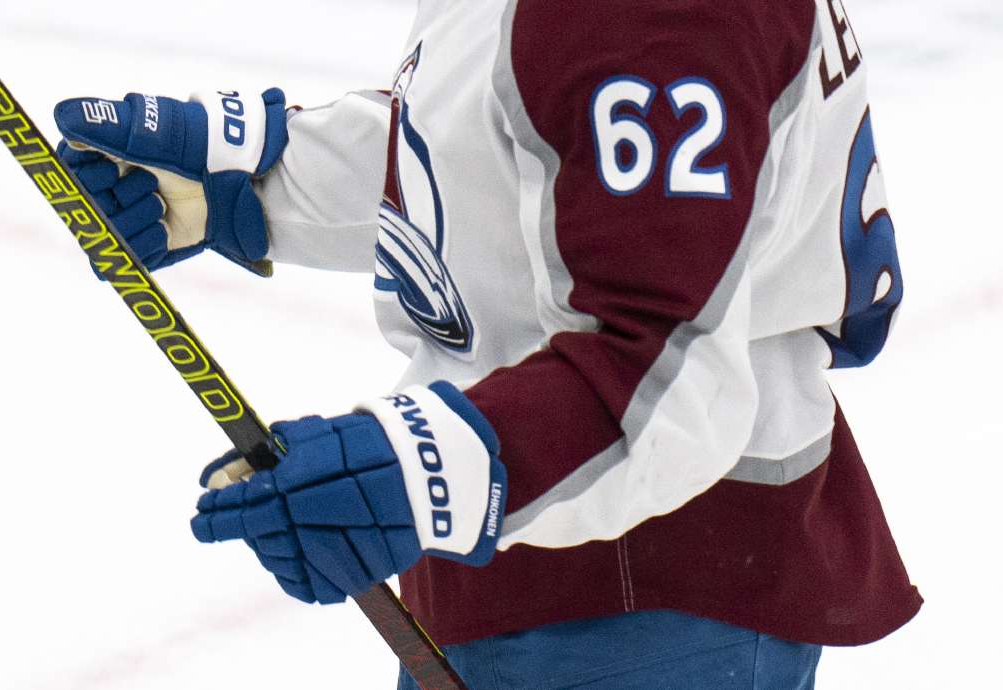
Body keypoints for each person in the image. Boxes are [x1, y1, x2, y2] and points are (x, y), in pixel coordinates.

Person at [53, 0, 922, 687]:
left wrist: (413, 472)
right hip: (542, 567)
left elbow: (660, 375)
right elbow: (511, 151)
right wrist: (253, 179)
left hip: (648, 605)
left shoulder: (660, 18)